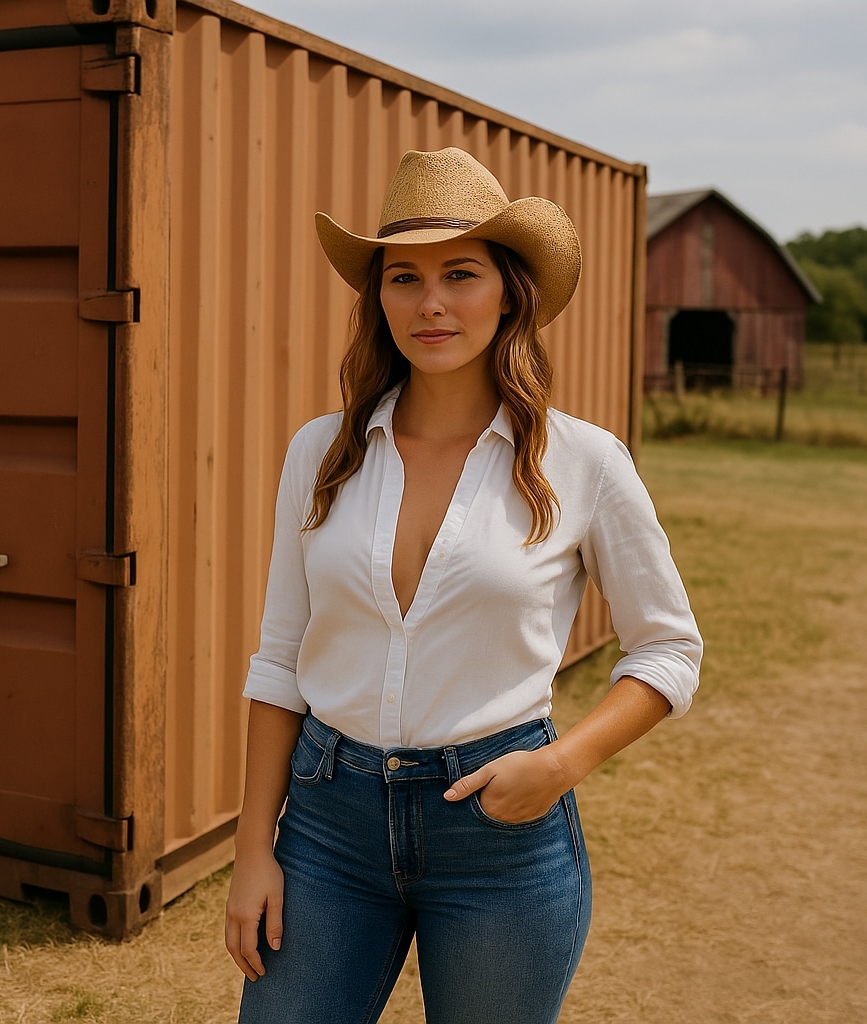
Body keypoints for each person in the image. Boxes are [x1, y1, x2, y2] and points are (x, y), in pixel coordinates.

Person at [224, 148, 703, 1024]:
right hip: (328, 827)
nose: (431, 302)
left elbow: (669, 647)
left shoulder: (584, 461)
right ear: (378, 298)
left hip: (499, 833)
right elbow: (280, 659)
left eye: (460, 273)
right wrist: (254, 846)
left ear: (509, 291)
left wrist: (563, 764)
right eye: (403, 277)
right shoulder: (321, 452)